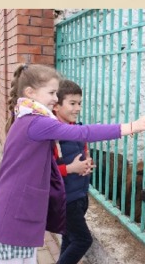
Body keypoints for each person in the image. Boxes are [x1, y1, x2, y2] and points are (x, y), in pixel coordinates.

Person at [0, 64, 145, 264]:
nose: (56, 98)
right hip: (12, 215)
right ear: (31, 92)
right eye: (52, 92)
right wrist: (130, 127)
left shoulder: (28, 117)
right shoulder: (36, 122)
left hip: (20, 210)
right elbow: (83, 132)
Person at [52, 79, 95, 264]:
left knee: (70, 239)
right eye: (72, 103)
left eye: (79, 103)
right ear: (56, 106)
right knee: (83, 240)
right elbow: (47, 170)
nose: (77, 108)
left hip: (79, 196)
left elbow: (83, 152)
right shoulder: (52, 135)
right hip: (65, 201)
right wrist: (71, 168)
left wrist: (86, 163)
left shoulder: (77, 128)